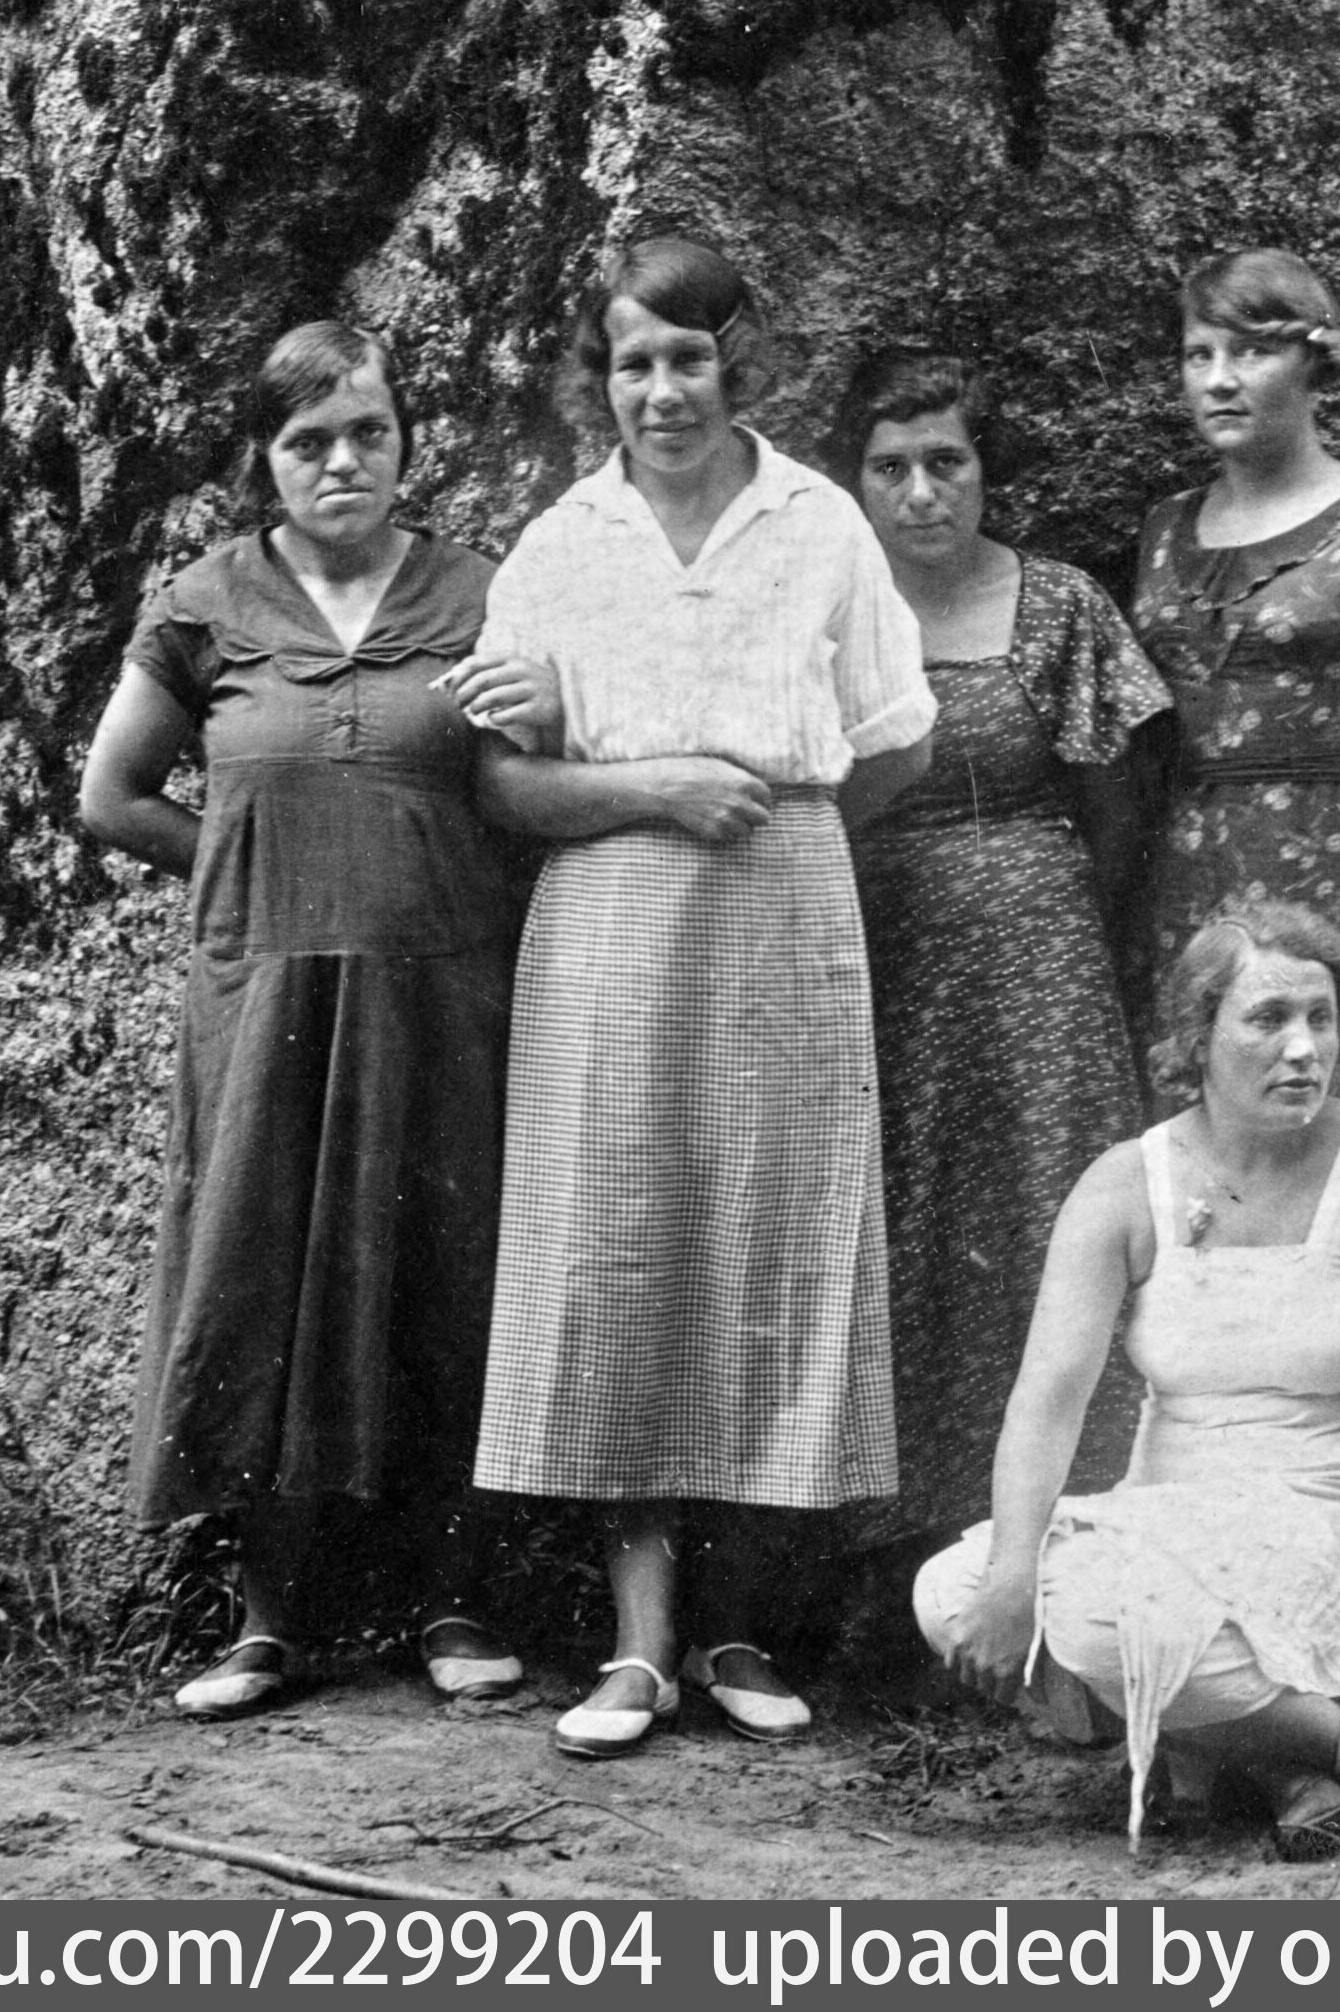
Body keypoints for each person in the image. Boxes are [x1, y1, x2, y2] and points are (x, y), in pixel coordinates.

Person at [463, 234, 937, 1759]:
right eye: (633, 362)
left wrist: (788, 828)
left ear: (740, 365)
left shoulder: (820, 525)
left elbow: (897, 738)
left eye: (688, 358)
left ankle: (743, 1622)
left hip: (782, 905)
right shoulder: (562, 543)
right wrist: (655, 790)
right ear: (599, 378)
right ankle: (638, 1643)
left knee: (774, 1236)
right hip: (608, 915)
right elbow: (501, 785)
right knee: (622, 1247)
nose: (661, 391)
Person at [76, 320, 523, 1722]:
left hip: (440, 991)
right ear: (264, 461)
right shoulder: (205, 602)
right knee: (258, 1275)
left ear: (406, 443)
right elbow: (112, 795)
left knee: (446, 1273)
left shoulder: (482, 593)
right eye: (307, 441)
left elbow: (529, 781)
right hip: (264, 998)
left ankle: (454, 1601)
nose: (342, 463)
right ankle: (269, 1619)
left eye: (367, 433)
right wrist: (245, 879)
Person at [919, 902, 1340, 1859]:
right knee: (952, 1588)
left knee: (1102, 1623)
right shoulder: (1124, 1181)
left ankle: (1256, 1748)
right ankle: (1330, 1762)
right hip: (1168, 1519)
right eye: (1267, 1018)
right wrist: (1014, 1574)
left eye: (1320, 1017)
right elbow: (1048, 1398)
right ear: (1197, 1037)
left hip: (1331, 1526)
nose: (1303, 1046)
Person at [840, 359, 1172, 1549]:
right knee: (907, 1221)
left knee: (1050, 1211)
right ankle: (900, 1551)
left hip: (1041, 960)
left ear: (987, 470)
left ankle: (1077, 1520)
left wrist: (1064, 933)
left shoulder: (1057, 603)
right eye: (890, 468)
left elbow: (1120, 811)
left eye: (946, 462)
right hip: (880, 960)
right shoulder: (827, 610)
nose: (921, 493)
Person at [1127, 251, 1340, 1102]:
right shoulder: (1165, 527)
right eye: (1199, 354)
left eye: (1250, 351)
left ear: (1314, 363)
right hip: (1196, 883)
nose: (1219, 379)